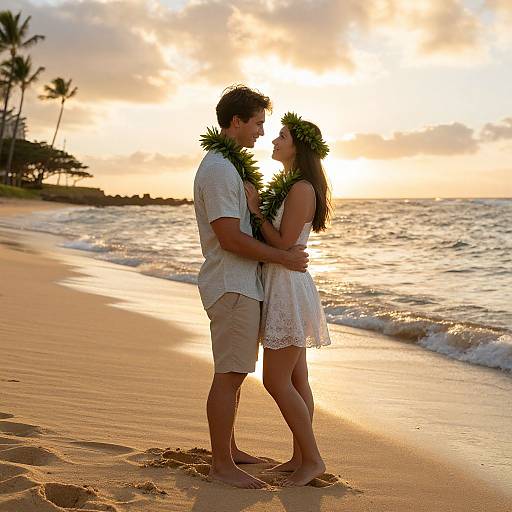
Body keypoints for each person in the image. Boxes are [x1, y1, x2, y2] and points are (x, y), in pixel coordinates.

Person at [193, 86, 309, 489]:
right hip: (232, 283)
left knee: (235, 372)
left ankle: (231, 449)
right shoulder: (221, 170)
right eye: (258, 123)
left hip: (243, 283)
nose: (262, 131)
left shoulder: (230, 167)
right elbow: (229, 237)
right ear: (237, 121)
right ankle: (222, 465)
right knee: (229, 374)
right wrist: (284, 258)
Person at [244, 112, 332, 486]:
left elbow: (282, 243)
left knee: (276, 380)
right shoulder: (292, 184)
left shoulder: (301, 189)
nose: (274, 140)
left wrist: (255, 210)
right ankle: (299, 457)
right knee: (297, 378)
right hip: (284, 281)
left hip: (286, 285)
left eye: (281, 136)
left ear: (298, 148)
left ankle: (312, 459)